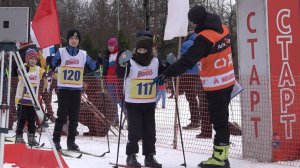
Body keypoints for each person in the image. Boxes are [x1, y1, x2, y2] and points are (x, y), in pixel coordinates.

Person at [153, 5, 235, 168]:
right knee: (221, 120)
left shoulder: (205, 38)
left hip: (215, 84)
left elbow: (187, 60)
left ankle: (220, 159)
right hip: (228, 80)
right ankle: (221, 156)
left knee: (219, 122)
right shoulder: (223, 28)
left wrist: (168, 73)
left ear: (196, 22)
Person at [47, 29, 100, 151]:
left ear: (79, 40)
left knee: (74, 117)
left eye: (76, 39)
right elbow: (52, 65)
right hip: (64, 89)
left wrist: (98, 62)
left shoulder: (83, 54)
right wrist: (52, 63)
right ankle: (56, 140)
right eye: (71, 38)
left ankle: (71, 142)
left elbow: (94, 66)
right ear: (68, 40)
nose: (74, 40)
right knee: (61, 116)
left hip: (76, 90)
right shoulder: (61, 52)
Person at [119, 35, 165, 168]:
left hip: (149, 104)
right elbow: (120, 72)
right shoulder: (131, 62)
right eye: (140, 50)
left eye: (145, 50)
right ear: (136, 50)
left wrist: (168, 68)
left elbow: (165, 71)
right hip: (133, 104)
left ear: (150, 50)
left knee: (150, 132)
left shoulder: (155, 62)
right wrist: (122, 63)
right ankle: (131, 156)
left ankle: (149, 156)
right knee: (135, 131)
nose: (142, 53)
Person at [179, 32, 212, 138]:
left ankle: (195, 120)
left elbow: (183, 60)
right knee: (202, 99)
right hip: (201, 73)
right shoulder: (203, 42)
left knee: (191, 98)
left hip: (189, 74)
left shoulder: (186, 44)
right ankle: (202, 121)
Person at [15, 48, 44, 146]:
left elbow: (45, 71)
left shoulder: (38, 69)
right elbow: (19, 72)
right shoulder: (22, 67)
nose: (33, 61)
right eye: (31, 58)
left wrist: (49, 71)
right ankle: (19, 136)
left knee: (32, 120)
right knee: (21, 119)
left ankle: (31, 137)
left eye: (35, 59)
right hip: (22, 99)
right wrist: (24, 70)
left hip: (32, 101)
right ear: (27, 59)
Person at [102, 37, 125, 126]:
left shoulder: (121, 54)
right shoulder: (108, 55)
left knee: (120, 99)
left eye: (111, 46)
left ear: (115, 45)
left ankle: (128, 116)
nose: (110, 47)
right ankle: (115, 119)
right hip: (109, 80)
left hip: (118, 81)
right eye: (108, 46)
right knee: (112, 101)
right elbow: (105, 67)